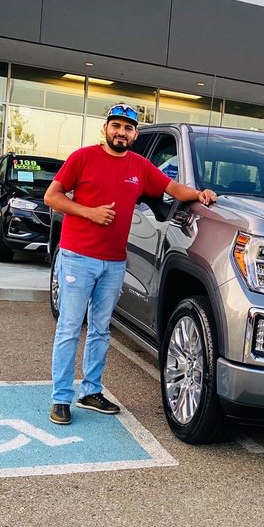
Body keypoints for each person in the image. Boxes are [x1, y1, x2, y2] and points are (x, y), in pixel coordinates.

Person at [44, 103, 217, 425]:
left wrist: (200, 194)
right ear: (106, 128)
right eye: (116, 126)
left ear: (135, 134)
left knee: (101, 330)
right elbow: (52, 197)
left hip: (113, 263)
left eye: (127, 128)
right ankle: (61, 398)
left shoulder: (140, 166)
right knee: (69, 328)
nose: (121, 132)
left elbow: (172, 188)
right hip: (78, 258)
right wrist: (89, 212)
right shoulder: (82, 158)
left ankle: (91, 391)